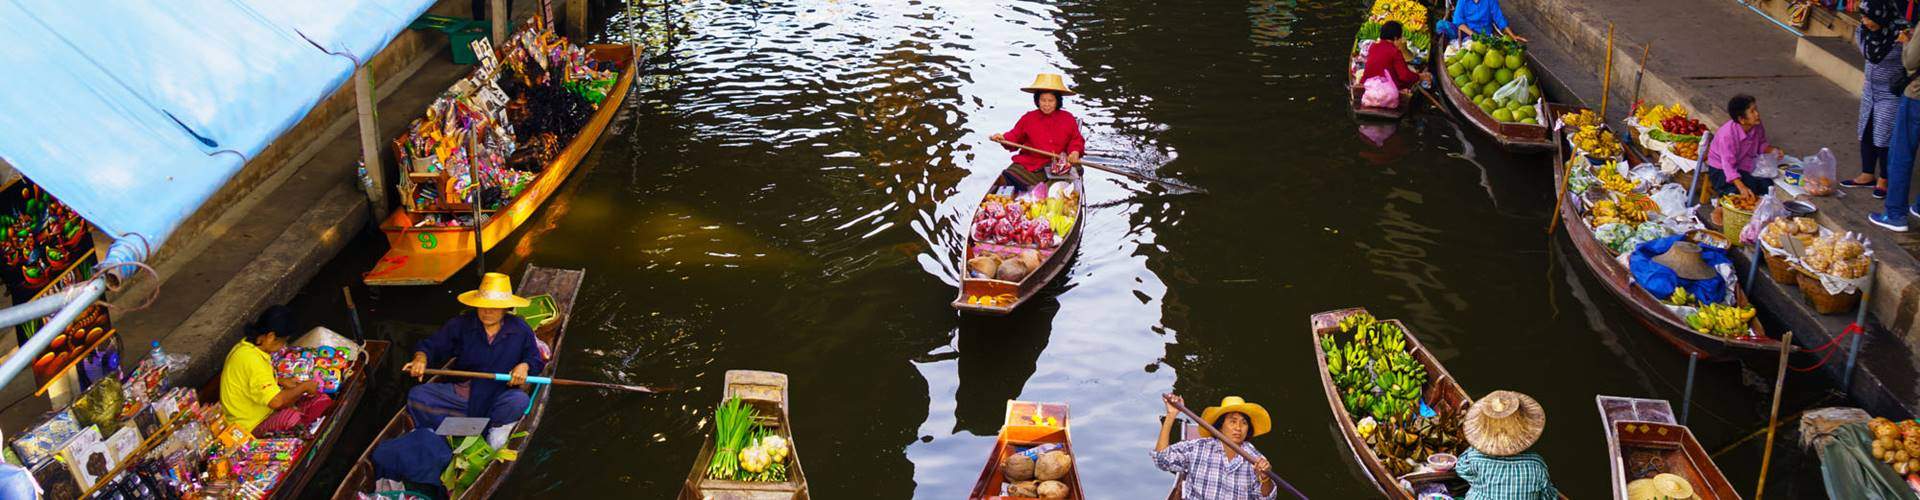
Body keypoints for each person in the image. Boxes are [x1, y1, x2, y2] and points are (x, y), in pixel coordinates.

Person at [401, 272, 546, 446]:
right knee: (418, 395)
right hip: (464, 394)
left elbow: (535, 358)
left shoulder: (520, 329)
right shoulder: (461, 324)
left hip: (498, 393)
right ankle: (479, 427)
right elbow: (431, 346)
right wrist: (420, 359)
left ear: (505, 308)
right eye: (483, 306)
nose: (487, 311)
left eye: (494, 306)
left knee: (518, 401)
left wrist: (525, 365)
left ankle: (483, 428)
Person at [220, 305, 331, 437]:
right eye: (283, 341)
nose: (283, 346)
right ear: (271, 337)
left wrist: (280, 381)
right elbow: (276, 402)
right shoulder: (251, 359)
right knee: (291, 418)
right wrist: (304, 387)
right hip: (250, 426)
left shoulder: (246, 347)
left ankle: (308, 427)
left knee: (320, 400)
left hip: (262, 411)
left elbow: (252, 381)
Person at [1152, 394, 1277, 500]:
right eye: (1233, 421)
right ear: (1220, 426)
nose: (1238, 428)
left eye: (1244, 423)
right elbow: (1162, 459)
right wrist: (1171, 415)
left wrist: (1265, 478)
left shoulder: (1256, 459)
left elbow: (1267, 498)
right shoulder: (1198, 448)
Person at [1845, 0, 1907, 198]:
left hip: (1891, 92)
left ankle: (1884, 179)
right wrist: (1869, 30)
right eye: (1863, 16)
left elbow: (1910, 60)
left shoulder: (1903, 34)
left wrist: (1905, 44)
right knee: (1866, 130)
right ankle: (1867, 173)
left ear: (1881, 16)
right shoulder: (1864, 30)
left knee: (1884, 136)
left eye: (1867, 17)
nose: (1864, 21)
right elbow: (1869, 54)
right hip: (1870, 89)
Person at [989, 73, 1086, 188]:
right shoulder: (1029, 118)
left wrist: (1074, 152)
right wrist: (1003, 138)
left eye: (1051, 101)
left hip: (1059, 165)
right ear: (1037, 100)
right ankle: (1040, 187)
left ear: (1057, 101)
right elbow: (1015, 136)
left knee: (1070, 174)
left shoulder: (1068, 118)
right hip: (1032, 163)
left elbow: (1076, 140)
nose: (1046, 104)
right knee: (1009, 175)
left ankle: (1046, 188)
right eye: (1043, 100)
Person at [1457, 390, 1559, 499]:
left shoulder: (1474, 457)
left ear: (1484, 435)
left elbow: (1460, 468)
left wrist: (1480, 481)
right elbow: (1548, 496)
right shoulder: (1536, 464)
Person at [1870, 25, 1920, 232]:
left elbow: (1911, 61)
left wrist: (1907, 42)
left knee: (1901, 155)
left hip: (1916, 97)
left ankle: (1895, 214)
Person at [1704, 94, 1782, 197]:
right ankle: (1718, 210)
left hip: (1743, 163)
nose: (1757, 114)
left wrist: (1772, 150)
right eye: (1752, 111)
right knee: (1738, 194)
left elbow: (1760, 144)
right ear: (1742, 119)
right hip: (1721, 169)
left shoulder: (1756, 125)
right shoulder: (1727, 135)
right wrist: (1741, 187)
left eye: (1756, 109)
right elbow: (1728, 164)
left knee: (1766, 185)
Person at [1362, 21, 1430, 92]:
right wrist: (1420, 76)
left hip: (1367, 85)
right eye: (1400, 38)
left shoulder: (1372, 47)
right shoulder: (1395, 52)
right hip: (1386, 90)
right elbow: (1405, 76)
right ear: (1396, 38)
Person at [1444, 0, 1527, 42]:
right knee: (1441, 25)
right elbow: (1458, 21)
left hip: (1485, 35)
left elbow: (1499, 18)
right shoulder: (1463, 1)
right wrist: (1474, 35)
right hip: (1468, 32)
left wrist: (1512, 35)